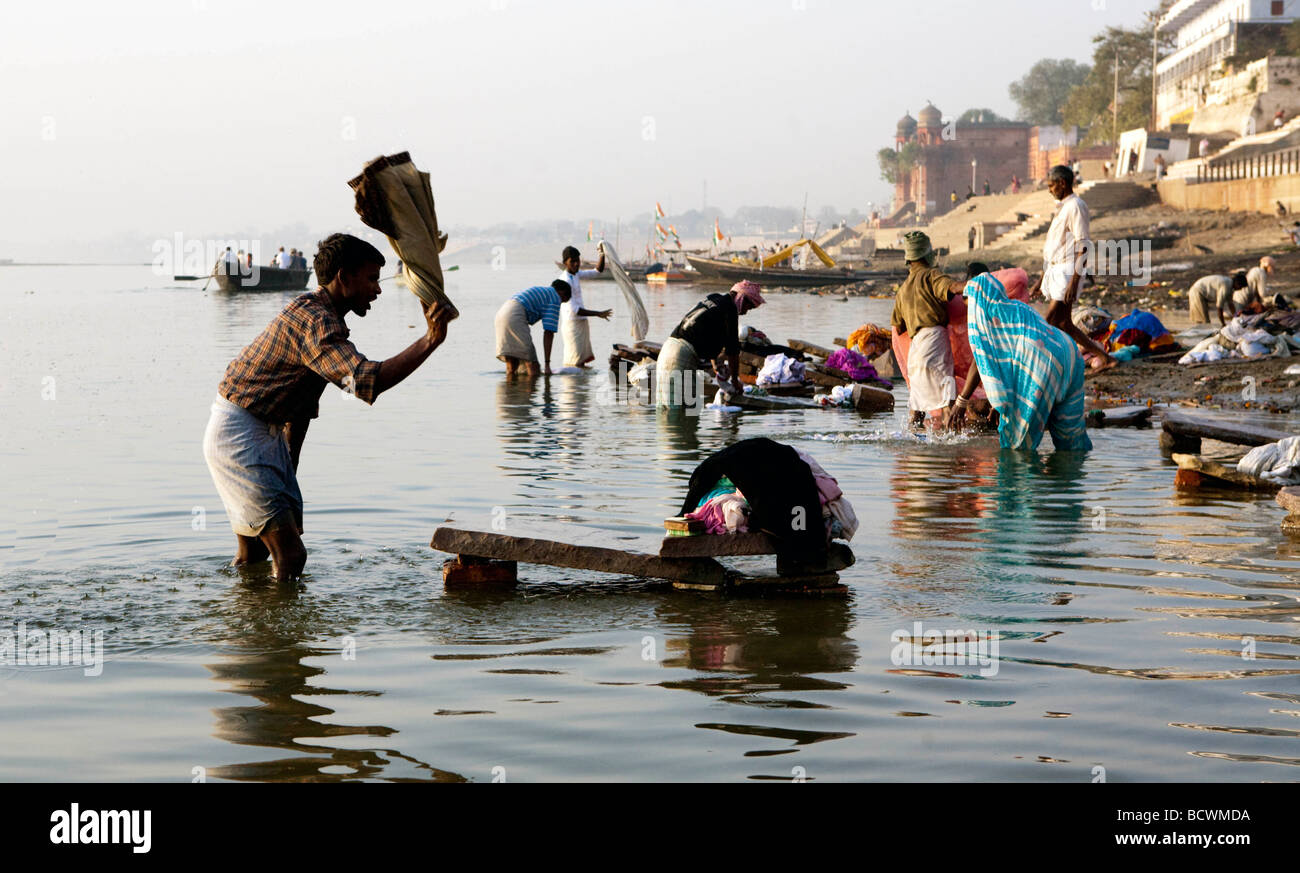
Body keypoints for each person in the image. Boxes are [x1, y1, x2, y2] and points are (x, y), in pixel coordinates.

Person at [202, 233, 453, 583]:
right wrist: (430, 340)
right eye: (370, 279)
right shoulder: (317, 322)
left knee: (257, 554)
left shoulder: (318, 313)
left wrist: (289, 463)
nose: (377, 290)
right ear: (343, 277)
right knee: (291, 555)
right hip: (242, 436)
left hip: (253, 430)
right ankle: (281, 636)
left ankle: (251, 620)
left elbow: (301, 407)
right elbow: (366, 382)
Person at [949, 272, 1091, 452]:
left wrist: (961, 402)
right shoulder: (1016, 308)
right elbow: (1012, 361)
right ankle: (1071, 473)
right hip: (1069, 352)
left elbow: (980, 362)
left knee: (1018, 444)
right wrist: (998, 401)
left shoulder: (988, 320)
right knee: (1071, 440)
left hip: (1041, 363)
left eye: (970, 306)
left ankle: (1018, 476)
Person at [1033, 165, 1116, 370]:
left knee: (1050, 320)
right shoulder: (1063, 207)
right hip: (1056, 270)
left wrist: (1075, 280)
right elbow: (1055, 247)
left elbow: (1083, 244)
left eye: (1052, 185)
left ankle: (1049, 365)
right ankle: (1104, 357)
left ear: (1062, 183)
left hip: (1068, 271)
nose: (1050, 190)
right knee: (1064, 324)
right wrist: (1040, 280)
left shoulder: (1076, 206)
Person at [890, 230, 961, 427]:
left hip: (916, 351)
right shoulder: (931, 276)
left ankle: (915, 453)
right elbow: (952, 288)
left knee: (917, 408)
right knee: (947, 405)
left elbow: (898, 326)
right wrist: (977, 284)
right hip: (934, 344)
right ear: (927, 253)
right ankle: (949, 453)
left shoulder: (903, 289)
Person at [656, 280, 764, 407]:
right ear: (742, 299)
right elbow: (732, 349)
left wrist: (716, 365)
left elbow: (707, 332)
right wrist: (735, 381)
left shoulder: (714, 298)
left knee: (665, 407)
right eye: (748, 307)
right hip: (682, 356)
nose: (746, 312)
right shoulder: (730, 309)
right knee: (684, 410)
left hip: (668, 348)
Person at [494, 279, 571, 377]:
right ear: (562, 293)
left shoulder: (543, 292)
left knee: (512, 364)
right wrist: (547, 364)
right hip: (516, 315)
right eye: (563, 301)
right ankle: (531, 390)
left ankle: (510, 390)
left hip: (502, 313)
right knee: (532, 364)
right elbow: (549, 332)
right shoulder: (555, 297)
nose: (560, 304)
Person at [557, 245, 612, 367]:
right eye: (573, 261)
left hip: (580, 323)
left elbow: (597, 271)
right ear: (565, 262)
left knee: (580, 362)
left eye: (578, 260)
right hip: (572, 324)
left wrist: (602, 254)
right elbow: (574, 310)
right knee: (574, 362)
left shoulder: (576, 274)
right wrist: (598, 314)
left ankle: (582, 385)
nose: (576, 264)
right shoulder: (565, 280)